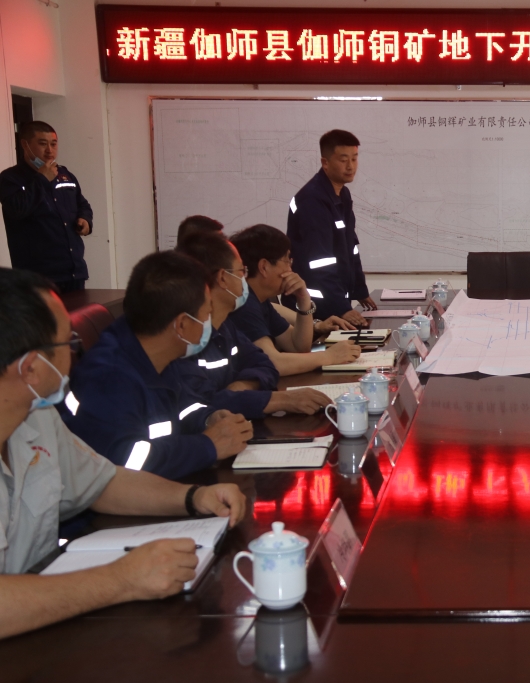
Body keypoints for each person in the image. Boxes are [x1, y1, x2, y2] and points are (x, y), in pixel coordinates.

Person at [0, 268, 247, 639]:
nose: (74, 353)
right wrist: (121, 580)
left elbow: (102, 481)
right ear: (32, 368)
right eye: (68, 343)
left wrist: (193, 497)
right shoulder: (105, 377)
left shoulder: (37, 417)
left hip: (42, 626)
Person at [63, 251, 253, 480]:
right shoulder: (110, 378)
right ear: (181, 325)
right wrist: (208, 446)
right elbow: (125, 462)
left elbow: (182, 405)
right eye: (207, 313)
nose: (209, 322)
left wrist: (207, 418)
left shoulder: (158, 349)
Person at [174, 232, 334, 417]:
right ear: (223, 278)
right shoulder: (185, 338)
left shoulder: (225, 326)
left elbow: (265, 363)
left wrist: (243, 386)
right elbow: (201, 405)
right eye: (241, 272)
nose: (245, 280)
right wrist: (278, 400)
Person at [230, 224, 361, 376]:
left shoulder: (259, 301)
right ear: (264, 267)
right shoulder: (243, 303)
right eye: (287, 261)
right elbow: (271, 363)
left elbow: (298, 346)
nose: (290, 269)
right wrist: (330, 356)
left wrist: (303, 299)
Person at [287, 129, 376, 327]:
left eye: (354, 158)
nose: (350, 166)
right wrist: (342, 308)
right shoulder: (312, 200)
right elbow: (320, 263)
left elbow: (350, 248)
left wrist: (360, 290)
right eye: (343, 160)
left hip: (333, 301)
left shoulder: (342, 195)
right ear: (325, 163)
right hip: (314, 307)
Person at [0, 121, 93, 293]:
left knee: (78, 312)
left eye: (54, 144)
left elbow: (83, 204)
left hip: (73, 271)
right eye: (43, 144)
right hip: (37, 276)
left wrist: (85, 220)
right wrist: (42, 179)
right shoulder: (10, 178)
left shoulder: (64, 174)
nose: (50, 150)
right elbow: (17, 209)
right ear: (25, 145)